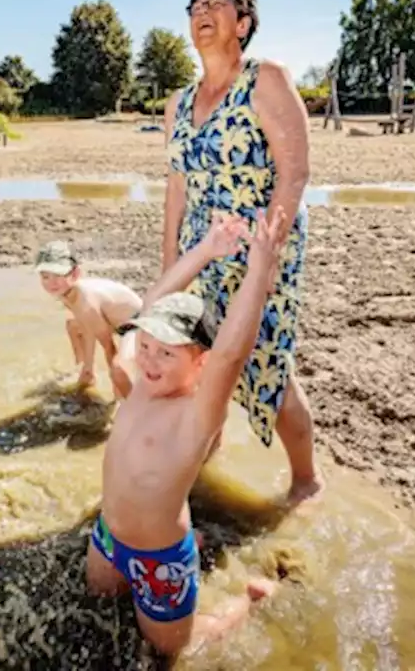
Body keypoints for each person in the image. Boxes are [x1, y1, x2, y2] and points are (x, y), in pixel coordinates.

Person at [87, 207, 287, 656]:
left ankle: (249, 600)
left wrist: (259, 271)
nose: (149, 360)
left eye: (166, 354)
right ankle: (196, 538)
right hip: (107, 537)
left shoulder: (196, 414)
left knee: (174, 651)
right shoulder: (141, 385)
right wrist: (207, 249)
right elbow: (153, 299)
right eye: (146, 346)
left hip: (159, 560)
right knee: (97, 600)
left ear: (199, 363)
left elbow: (231, 352)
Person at [161, 0, 321, 505]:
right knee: (200, 361)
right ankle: (207, 451)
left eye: (216, 5)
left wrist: (266, 256)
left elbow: (294, 172)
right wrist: (171, 263)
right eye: (196, 6)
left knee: (265, 367)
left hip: (258, 252)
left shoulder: (265, 79)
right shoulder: (177, 104)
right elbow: (177, 185)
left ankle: (305, 479)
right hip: (199, 253)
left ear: (243, 24)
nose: (202, 12)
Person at [34, 240, 141, 398]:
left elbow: (109, 346)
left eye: (58, 275)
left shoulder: (86, 300)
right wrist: (88, 365)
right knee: (72, 325)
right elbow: (87, 327)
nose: (52, 283)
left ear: (75, 274)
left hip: (138, 325)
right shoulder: (67, 292)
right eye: (45, 277)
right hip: (112, 318)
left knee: (118, 366)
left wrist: (115, 391)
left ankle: (126, 403)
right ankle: (83, 370)